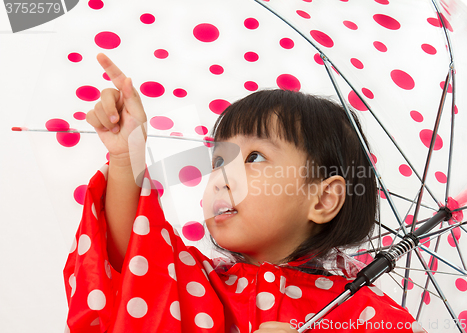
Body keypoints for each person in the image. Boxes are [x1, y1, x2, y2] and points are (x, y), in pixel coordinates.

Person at [63, 54, 425, 332]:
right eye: (219, 159)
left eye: (254, 157)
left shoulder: (366, 315)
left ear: (323, 199)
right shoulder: (198, 281)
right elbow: (132, 255)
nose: (221, 177)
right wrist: (127, 157)